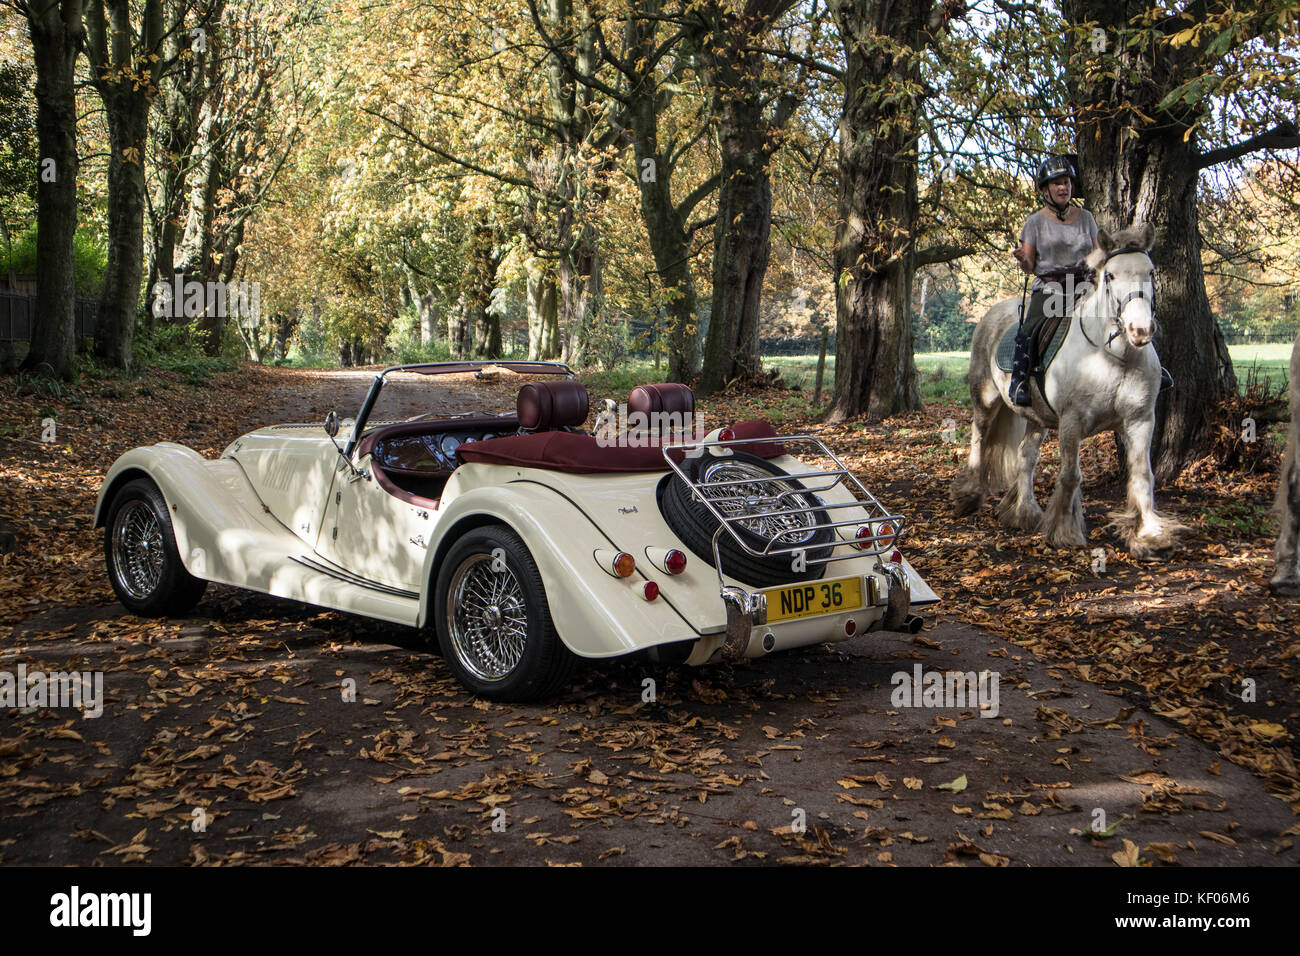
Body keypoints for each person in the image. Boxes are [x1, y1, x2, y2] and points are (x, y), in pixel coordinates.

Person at [1008, 156, 1099, 405]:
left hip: (1084, 284)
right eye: (1057, 183)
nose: (1063, 187)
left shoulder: (1087, 218)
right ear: (1046, 189)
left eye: (1066, 182)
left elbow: (1098, 253)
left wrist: (1095, 276)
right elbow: (1029, 266)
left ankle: (1148, 369)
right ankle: (1019, 382)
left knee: (1121, 310)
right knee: (1031, 326)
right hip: (1050, 287)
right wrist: (1022, 259)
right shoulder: (1034, 222)